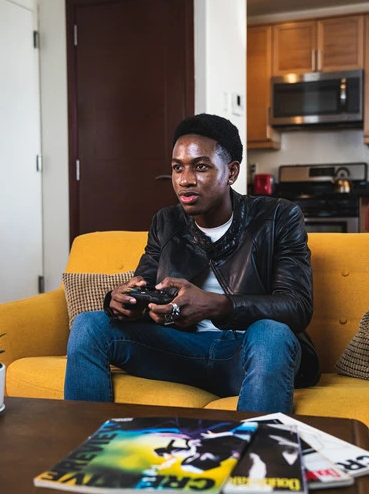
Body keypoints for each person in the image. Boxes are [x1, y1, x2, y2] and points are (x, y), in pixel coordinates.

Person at [64, 113, 320, 413]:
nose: (185, 180)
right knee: (88, 325)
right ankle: (87, 440)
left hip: (248, 354)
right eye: (177, 168)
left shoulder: (278, 217)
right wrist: (125, 302)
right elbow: (146, 289)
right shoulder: (166, 222)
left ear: (232, 172)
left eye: (200, 167)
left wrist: (216, 305)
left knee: (272, 333)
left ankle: (257, 444)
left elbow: (297, 306)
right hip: (181, 351)